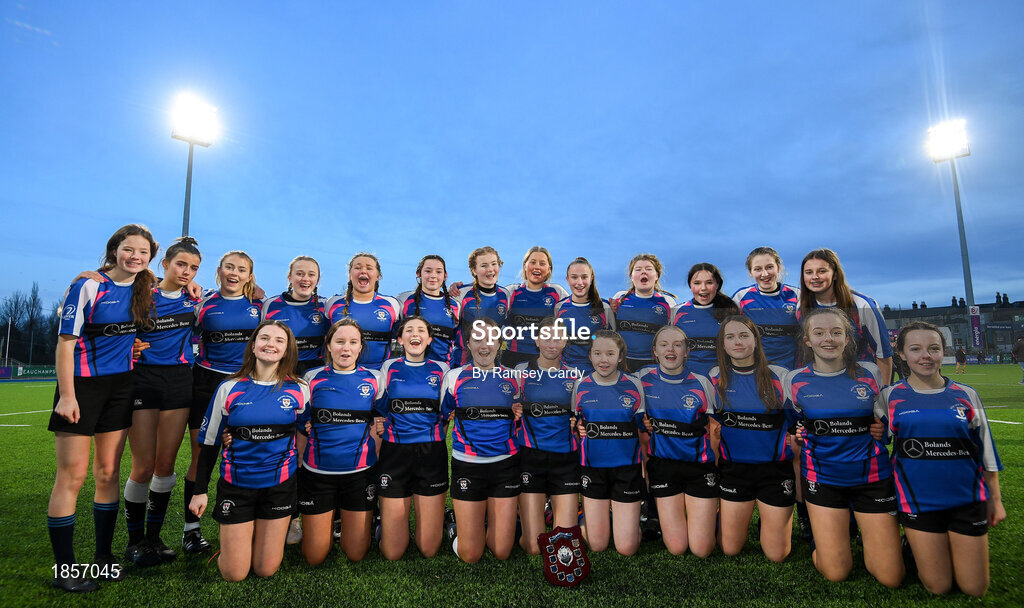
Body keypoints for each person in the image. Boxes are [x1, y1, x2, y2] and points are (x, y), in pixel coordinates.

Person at [48, 224, 157, 592]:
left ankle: (103, 559)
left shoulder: (146, 288)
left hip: (122, 386)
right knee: (73, 476)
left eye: (143, 252)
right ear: (114, 250)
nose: (135, 257)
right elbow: (65, 344)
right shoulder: (89, 285)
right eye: (129, 249)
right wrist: (67, 395)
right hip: (81, 388)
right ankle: (65, 570)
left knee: (109, 473)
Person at [880, 321, 1005, 597]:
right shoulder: (889, 397)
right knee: (939, 586)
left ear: (942, 353)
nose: (926, 355)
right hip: (918, 503)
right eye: (916, 349)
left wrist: (995, 500)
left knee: (975, 589)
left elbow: (986, 451)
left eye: (933, 348)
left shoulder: (966, 394)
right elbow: (872, 439)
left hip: (967, 500)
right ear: (901, 354)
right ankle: (912, 546)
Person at [783, 308, 903, 587]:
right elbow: (794, 422)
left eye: (837, 332)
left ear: (848, 338)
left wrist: (881, 430)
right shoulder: (794, 380)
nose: (829, 338)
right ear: (807, 340)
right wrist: (800, 432)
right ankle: (826, 542)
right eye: (819, 332)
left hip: (872, 479)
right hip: (823, 480)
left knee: (892, 578)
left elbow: (885, 422)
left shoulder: (872, 372)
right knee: (836, 572)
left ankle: (884, 542)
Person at [189, 320, 309, 582]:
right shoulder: (228, 388)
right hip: (237, 486)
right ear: (253, 346)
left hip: (279, 487)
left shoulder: (300, 390)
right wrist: (199, 491)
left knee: (266, 569)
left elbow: (307, 431)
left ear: (287, 351)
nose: (271, 345)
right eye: (264, 338)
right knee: (234, 574)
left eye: (279, 340)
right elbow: (209, 444)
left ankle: (255, 535)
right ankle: (236, 542)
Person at [123, 237, 202, 567]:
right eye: (181, 264)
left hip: (180, 381)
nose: (186, 272)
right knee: (142, 466)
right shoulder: (142, 294)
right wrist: (132, 345)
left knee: (165, 466)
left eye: (194, 268)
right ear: (165, 264)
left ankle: (154, 538)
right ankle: (134, 541)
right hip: (143, 380)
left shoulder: (195, 300)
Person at [183, 251, 263, 554]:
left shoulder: (260, 306)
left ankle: (252, 520)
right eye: (229, 267)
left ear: (249, 276)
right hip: (205, 384)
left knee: (248, 453)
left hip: (245, 386)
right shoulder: (202, 304)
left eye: (241, 269)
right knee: (201, 455)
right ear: (219, 270)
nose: (234, 273)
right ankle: (191, 529)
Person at [707, 315, 796, 563]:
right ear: (722, 344)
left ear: (756, 340)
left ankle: (770, 525)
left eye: (744, 335)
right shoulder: (714, 378)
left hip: (775, 473)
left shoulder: (780, 377)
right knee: (729, 549)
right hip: (734, 472)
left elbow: (799, 423)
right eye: (730, 337)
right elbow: (709, 428)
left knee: (777, 555)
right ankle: (724, 516)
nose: (738, 342)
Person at [297, 318, 385, 565]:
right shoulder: (310, 378)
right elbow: (299, 423)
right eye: (340, 341)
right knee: (314, 557)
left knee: (356, 553)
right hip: (317, 474)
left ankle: (367, 525)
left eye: (353, 342)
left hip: (359, 474)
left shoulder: (375, 379)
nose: (346, 348)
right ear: (328, 345)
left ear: (360, 347)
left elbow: (382, 421)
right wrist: (300, 466)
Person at [442, 316, 523, 563]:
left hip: (505, 465)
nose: (484, 345)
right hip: (468, 465)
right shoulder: (454, 377)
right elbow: (444, 415)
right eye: (478, 339)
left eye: (490, 338)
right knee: (471, 554)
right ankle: (454, 527)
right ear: (468, 343)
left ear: (500, 343)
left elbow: (521, 416)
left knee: (501, 551)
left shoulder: (515, 378)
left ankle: (500, 521)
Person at [639, 326, 719, 557]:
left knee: (701, 550)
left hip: (699, 467)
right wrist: (581, 424)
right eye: (664, 344)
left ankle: (712, 516)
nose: (670, 350)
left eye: (677, 344)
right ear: (654, 351)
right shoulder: (642, 381)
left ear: (687, 351)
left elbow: (715, 428)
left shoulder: (703, 383)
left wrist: (715, 467)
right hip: (664, 467)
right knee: (677, 548)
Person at [376, 316, 451, 560]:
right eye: (409, 330)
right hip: (395, 454)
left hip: (431, 453)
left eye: (421, 330)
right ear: (400, 339)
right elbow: (381, 408)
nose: (415, 334)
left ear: (429, 339)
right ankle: (381, 526)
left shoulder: (442, 370)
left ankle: (446, 522)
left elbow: (446, 413)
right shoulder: (388, 367)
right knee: (392, 552)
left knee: (428, 549)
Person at [572, 330, 646, 556]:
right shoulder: (580, 385)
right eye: (598, 353)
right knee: (597, 546)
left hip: (627, 470)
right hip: (593, 470)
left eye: (610, 353)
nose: (604, 360)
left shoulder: (634, 385)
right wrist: (576, 426)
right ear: (590, 356)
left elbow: (642, 431)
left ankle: (628, 520)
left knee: (627, 548)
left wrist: (644, 471)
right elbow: (576, 425)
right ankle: (589, 518)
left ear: (620, 356)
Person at [514, 317, 581, 554]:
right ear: (536, 340)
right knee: (534, 547)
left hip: (565, 459)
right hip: (531, 458)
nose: (552, 343)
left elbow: (581, 415)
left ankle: (555, 512)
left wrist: (579, 422)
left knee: (564, 542)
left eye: (558, 338)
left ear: (565, 342)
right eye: (546, 337)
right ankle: (519, 520)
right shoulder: (520, 372)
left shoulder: (575, 376)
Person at [798, 248, 893, 384]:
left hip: (859, 383)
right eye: (808, 272)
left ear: (835, 274)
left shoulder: (863, 305)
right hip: (818, 384)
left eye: (822, 271)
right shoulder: (800, 306)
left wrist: (882, 396)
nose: (814, 277)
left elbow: (883, 353)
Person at [326, 253, 400, 370]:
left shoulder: (392, 304)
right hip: (340, 373)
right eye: (358, 267)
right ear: (350, 274)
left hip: (378, 375)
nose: (363, 271)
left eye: (369, 268)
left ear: (378, 276)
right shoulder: (332, 304)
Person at [731, 246, 800, 369]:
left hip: (791, 366)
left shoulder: (796, 294)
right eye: (758, 269)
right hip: (755, 369)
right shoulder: (741, 297)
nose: (765, 274)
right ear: (750, 272)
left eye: (769, 267)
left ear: (778, 267)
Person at [502, 247, 569, 368]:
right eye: (533, 262)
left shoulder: (557, 292)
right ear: (525, 266)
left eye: (542, 263)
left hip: (545, 357)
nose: (537, 267)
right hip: (513, 357)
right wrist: (457, 289)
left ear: (549, 269)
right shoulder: (511, 292)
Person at [262, 256, 328, 375]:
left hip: (314, 371)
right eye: (300, 274)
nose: (305, 279)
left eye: (311, 275)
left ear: (317, 280)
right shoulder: (270, 305)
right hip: (278, 371)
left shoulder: (325, 305)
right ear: (290, 277)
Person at [611, 254, 676, 372]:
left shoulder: (667, 302)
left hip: (653, 364)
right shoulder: (619, 298)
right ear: (631, 276)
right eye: (638, 269)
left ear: (657, 275)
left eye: (649, 269)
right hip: (623, 363)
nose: (643, 272)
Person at [672, 263, 739, 377]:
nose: (703, 288)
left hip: (723, 379)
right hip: (687, 380)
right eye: (697, 283)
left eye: (709, 282)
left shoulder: (731, 310)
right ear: (690, 285)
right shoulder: (677, 311)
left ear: (717, 284)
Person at [452, 246, 512, 366]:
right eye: (484, 265)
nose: (490, 269)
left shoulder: (505, 295)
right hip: (462, 365)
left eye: (494, 264)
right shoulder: (460, 293)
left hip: (491, 365)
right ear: (474, 270)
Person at [554, 257, 615, 374]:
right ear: (567, 279)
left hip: (596, 373)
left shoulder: (605, 307)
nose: (579, 282)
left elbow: (613, 343)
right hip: (566, 372)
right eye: (574, 277)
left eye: (584, 277)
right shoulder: (559, 307)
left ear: (591, 278)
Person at [397, 255, 460, 366]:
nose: (433, 276)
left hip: (444, 371)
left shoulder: (455, 305)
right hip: (411, 368)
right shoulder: (404, 300)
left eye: (438, 272)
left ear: (445, 276)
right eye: (428, 271)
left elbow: (459, 341)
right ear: (419, 273)